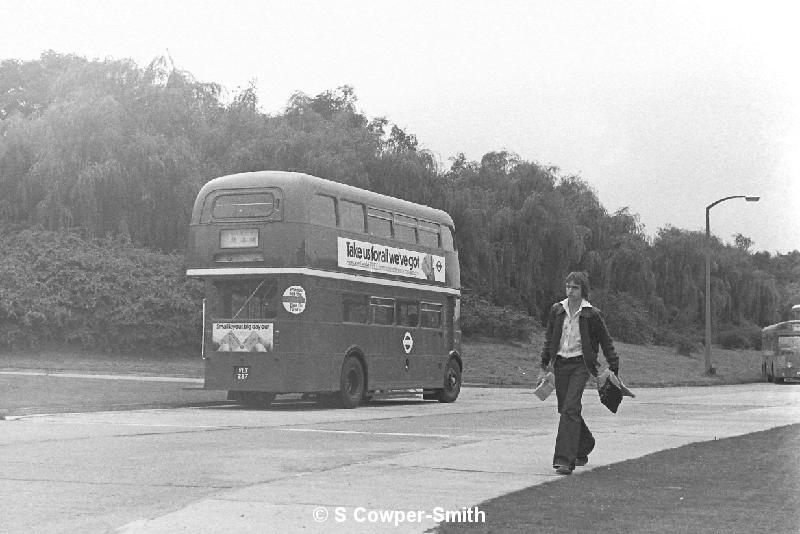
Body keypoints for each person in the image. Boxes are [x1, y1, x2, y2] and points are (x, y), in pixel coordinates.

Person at [537, 271, 620, 475]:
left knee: (570, 409)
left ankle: (564, 461)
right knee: (566, 409)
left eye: (575, 287)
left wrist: (613, 366)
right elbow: (549, 339)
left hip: (580, 366)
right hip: (560, 365)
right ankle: (585, 444)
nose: (570, 291)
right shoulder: (557, 310)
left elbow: (606, 341)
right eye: (568, 286)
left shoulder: (592, 314)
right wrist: (543, 364)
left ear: (583, 290)